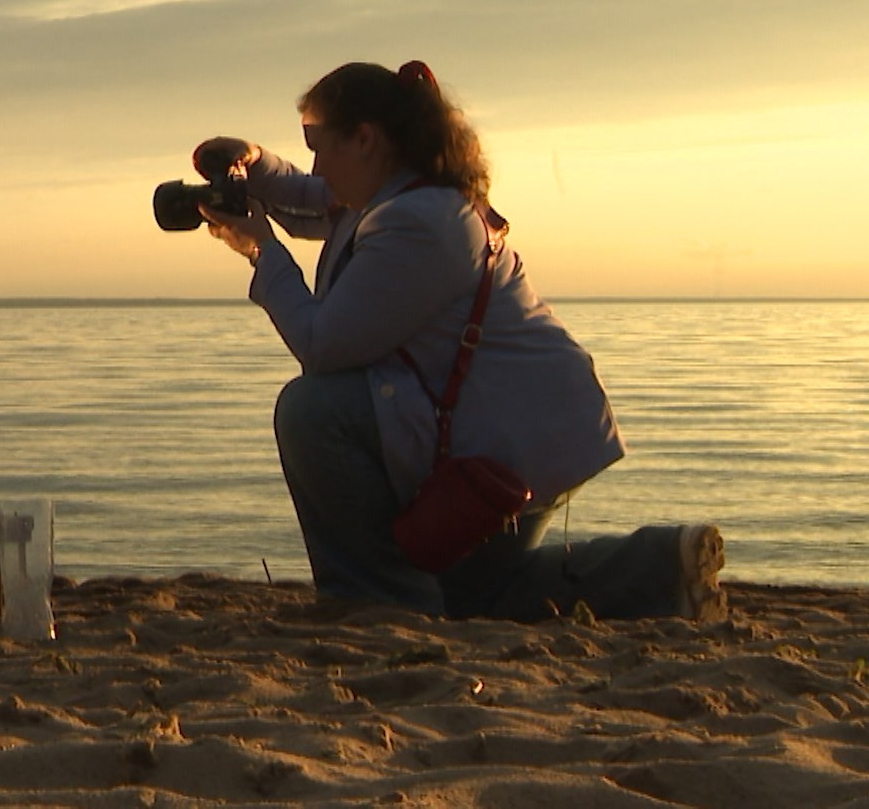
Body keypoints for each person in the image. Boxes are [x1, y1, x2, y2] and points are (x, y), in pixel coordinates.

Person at [194, 60, 724, 621]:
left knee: (312, 411)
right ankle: (664, 566)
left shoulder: (420, 222)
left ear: (366, 140)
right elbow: (312, 196)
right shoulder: (402, 193)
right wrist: (254, 165)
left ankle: (373, 603)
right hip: (527, 424)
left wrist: (261, 251)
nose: (316, 163)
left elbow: (321, 344)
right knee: (473, 597)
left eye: (317, 144)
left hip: (518, 437)